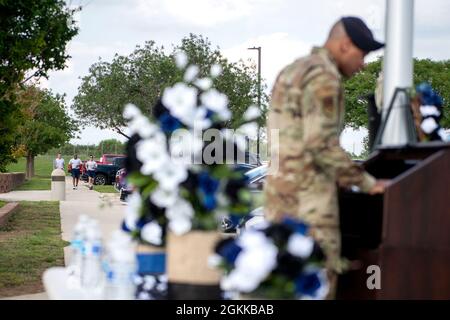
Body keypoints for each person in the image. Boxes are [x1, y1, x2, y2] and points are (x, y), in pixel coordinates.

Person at [264, 16, 389, 299]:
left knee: (282, 288)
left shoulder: (292, 71)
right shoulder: (325, 77)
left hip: (279, 202)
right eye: (362, 54)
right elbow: (321, 145)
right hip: (311, 208)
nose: (363, 64)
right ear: (345, 46)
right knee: (315, 287)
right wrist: (368, 184)